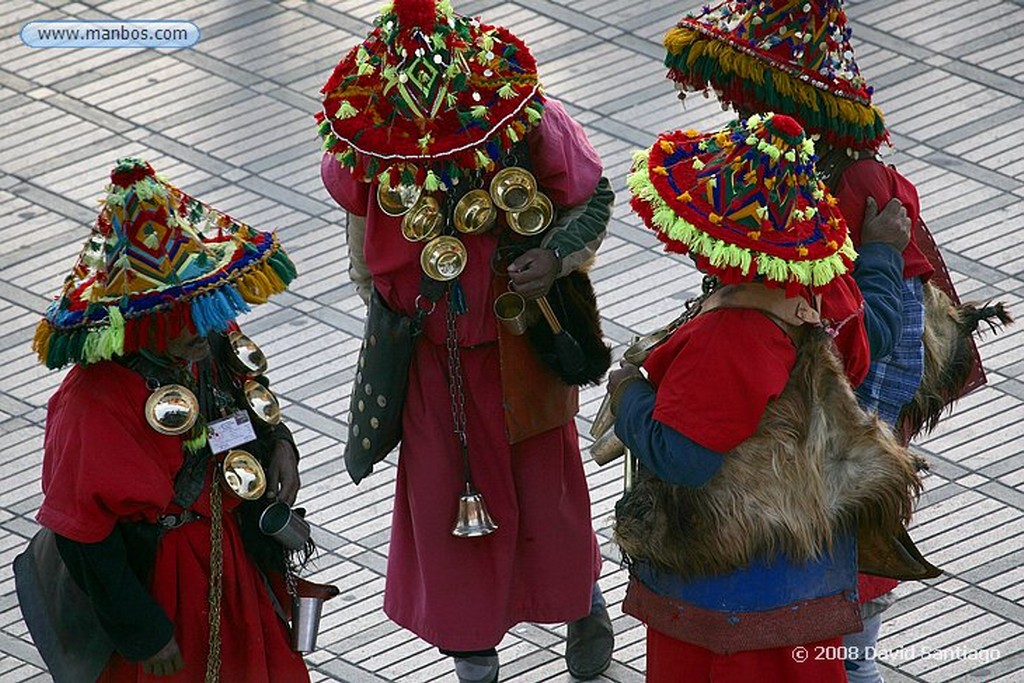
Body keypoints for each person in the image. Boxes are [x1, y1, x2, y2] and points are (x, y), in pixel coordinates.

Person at [660, 2, 1010, 679]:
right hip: (779, 484)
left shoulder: (862, 193)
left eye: (758, 99)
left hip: (834, 483)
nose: (744, 117)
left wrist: (845, 458)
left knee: (847, 656)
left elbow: (890, 368)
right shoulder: (771, 172)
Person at [316, 1, 616, 680]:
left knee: (552, 502)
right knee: (448, 518)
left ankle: (581, 601)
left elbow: (592, 195)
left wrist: (558, 256)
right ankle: (475, 665)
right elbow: (359, 233)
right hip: (432, 366)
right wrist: (391, 314)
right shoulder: (369, 135)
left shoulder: (521, 112)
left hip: (520, 350)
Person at [610, 112, 924, 682]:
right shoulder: (815, 288)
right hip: (804, 573)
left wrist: (628, 394)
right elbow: (870, 335)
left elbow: (683, 457)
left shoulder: (728, 337)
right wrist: (878, 256)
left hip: (727, 587)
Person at [25, 157, 316, 682]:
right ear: (147, 322)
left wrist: (280, 447)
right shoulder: (92, 399)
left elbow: (249, 401)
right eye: (187, 322)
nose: (206, 335)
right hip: (165, 585)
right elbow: (81, 532)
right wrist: (143, 631)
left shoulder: (207, 338)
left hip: (236, 558)